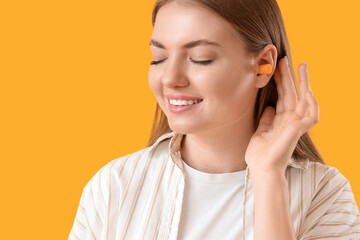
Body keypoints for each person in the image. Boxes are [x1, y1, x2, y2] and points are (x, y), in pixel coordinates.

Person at [69, 0, 360, 239]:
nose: (170, 79)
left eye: (200, 58)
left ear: (263, 65)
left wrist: (268, 175)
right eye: (158, 58)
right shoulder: (113, 186)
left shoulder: (324, 195)